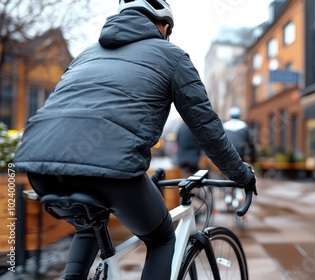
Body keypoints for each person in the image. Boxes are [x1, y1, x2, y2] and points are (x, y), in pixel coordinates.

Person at [13, 1, 256, 279]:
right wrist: (242, 175)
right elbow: (208, 129)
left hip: (41, 168)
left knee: (88, 225)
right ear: (164, 26)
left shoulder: (85, 55)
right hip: (112, 169)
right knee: (163, 238)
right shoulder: (171, 55)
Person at [222, 107, 256, 209]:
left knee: (226, 173)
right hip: (239, 154)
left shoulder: (224, 126)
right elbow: (251, 144)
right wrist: (251, 155)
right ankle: (238, 191)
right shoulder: (244, 126)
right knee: (240, 172)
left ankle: (227, 194)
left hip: (226, 154)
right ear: (240, 116)